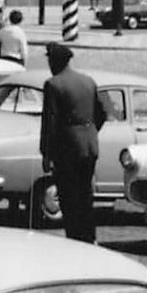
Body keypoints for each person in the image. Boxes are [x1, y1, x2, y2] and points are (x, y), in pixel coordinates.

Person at [39, 43, 106, 243]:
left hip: (67, 148)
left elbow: (49, 122)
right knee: (85, 194)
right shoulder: (88, 81)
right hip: (89, 145)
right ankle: (88, 236)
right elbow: (102, 113)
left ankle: (75, 238)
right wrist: (88, 131)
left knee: (69, 197)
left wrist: (46, 153)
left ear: (56, 61)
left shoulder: (53, 84)